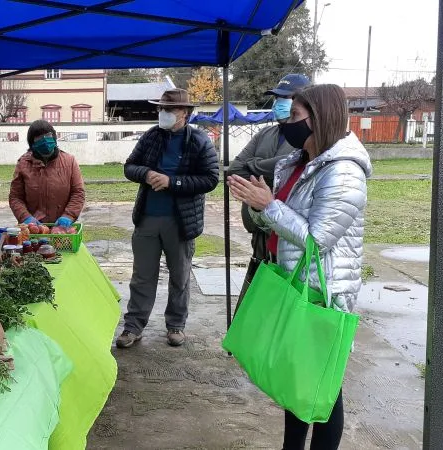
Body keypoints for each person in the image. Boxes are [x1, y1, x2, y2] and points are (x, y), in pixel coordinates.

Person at [228, 84, 371, 450]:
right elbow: (281, 217)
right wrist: (262, 209)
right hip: (293, 279)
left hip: (323, 291)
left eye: (295, 116)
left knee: (322, 387)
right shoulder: (298, 162)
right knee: (297, 379)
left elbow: (316, 239)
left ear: (319, 118)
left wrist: (269, 206)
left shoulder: (343, 171)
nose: (288, 124)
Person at [117, 88, 219, 348]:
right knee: (142, 276)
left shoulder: (199, 140)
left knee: (179, 276)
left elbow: (210, 179)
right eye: (160, 109)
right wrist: (146, 174)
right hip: (148, 217)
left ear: (184, 113)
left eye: (169, 109)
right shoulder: (152, 136)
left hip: (181, 221)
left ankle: (175, 325)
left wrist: (173, 182)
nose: (163, 113)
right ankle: (133, 327)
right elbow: (130, 166)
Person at [228, 74, 311, 314]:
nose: (278, 103)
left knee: (284, 303)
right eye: (277, 98)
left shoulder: (306, 139)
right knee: (258, 299)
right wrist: (269, 167)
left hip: (288, 235)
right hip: (260, 231)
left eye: (285, 98)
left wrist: (254, 165)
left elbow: (292, 164)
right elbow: (235, 169)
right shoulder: (266, 134)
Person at [9, 120, 85, 227]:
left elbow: (78, 193)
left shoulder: (70, 161)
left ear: (54, 137)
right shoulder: (23, 164)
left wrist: (68, 216)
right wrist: (25, 217)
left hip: (63, 230)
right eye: (39, 137)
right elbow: (15, 197)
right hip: (34, 231)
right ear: (32, 143)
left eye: (48, 135)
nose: (45, 140)